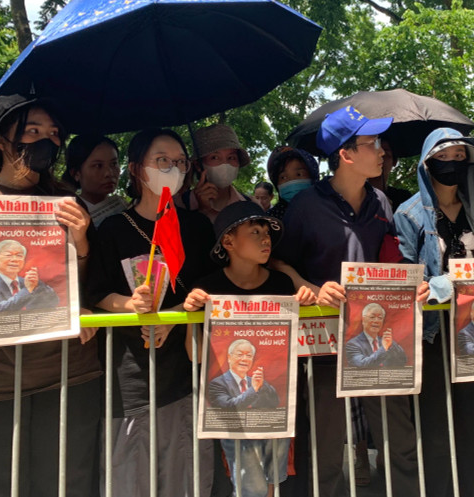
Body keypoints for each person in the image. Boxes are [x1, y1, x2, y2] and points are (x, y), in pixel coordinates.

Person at [0, 95, 100, 497]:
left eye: (53, 134)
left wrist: (82, 241)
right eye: (32, 132)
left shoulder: (68, 201)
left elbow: (87, 282)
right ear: (0, 140)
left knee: (66, 483)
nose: (46, 142)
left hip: (71, 373)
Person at [276, 105, 425, 497]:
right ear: (345, 154)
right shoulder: (306, 205)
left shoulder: (382, 202)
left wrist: (413, 287)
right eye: (372, 143)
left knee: (400, 441)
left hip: (384, 342)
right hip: (325, 345)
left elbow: (394, 261)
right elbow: (277, 262)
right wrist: (307, 285)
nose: (381, 151)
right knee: (326, 446)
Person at [87, 128, 216, 497]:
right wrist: (130, 305)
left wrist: (173, 316)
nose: (173, 168)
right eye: (162, 160)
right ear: (136, 169)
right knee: (129, 480)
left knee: (185, 477)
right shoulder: (113, 228)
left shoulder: (195, 227)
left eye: (180, 162)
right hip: (132, 377)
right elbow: (97, 292)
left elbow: (209, 287)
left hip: (187, 374)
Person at [184, 200, 315, 497]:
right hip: (232, 416)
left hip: (277, 407)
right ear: (228, 241)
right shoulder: (207, 287)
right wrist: (192, 316)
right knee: (247, 484)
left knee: (273, 481)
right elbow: (195, 355)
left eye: (267, 231)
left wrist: (307, 301)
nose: (265, 237)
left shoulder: (283, 284)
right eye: (255, 231)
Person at [394, 127, 474, 497]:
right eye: (443, 157)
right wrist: (434, 286)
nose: (452, 164)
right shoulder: (407, 214)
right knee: (436, 428)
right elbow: (408, 276)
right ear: (427, 163)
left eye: (459, 157)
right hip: (433, 336)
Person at [0, 239, 60, 313]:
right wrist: (27, 290)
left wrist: (38, 286)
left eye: (19, 256)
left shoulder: (29, 282)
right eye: (8, 255)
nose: (15, 260)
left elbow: (53, 302)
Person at [192, 124, 252, 222]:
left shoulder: (250, 206)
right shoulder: (179, 204)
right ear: (198, 165)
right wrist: (202, 212)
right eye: (215, 157)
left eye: (231, 158)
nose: (225, 164)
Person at [63, 134, 126, 226]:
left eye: (113, 164)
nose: (109, 173)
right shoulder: (67, 214)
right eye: (98, 166)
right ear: (76, 173)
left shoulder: (126, 209)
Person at [209, 339, 280, 409]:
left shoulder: (256, 382)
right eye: (240, 355)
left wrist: (262, 386)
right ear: (229, 357)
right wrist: (253, 389)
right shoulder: (217, 383)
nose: (244, 359)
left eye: (249, 356)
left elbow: (274, 403)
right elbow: (229, 406)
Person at [345, 303, 407, 367]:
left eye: (380, 318)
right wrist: (384, 348)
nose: (376, 321)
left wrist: (391, 345)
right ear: (363, 319)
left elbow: (403, 361)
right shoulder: (353, 344)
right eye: (372, 317)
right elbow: (362, 364)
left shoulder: (386, 342)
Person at [265, 145, 319, 220]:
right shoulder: (271, 221)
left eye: (299, 174)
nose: (292, 181)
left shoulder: (329, 212)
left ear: (312, 175)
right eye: (283, 177)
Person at [369, 139, 412, 212]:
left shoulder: (404, 198)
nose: (379, 157)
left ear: (394, 161)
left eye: (385, 154)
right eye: (374, 152)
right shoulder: (353, 195)